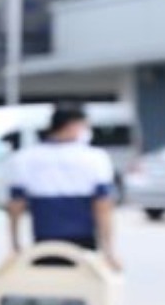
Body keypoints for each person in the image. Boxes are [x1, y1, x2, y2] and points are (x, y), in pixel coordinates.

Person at [7, 107, 120, 269]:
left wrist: (15, 244)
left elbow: (15, 206)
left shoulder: (25, 158)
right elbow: (103, 206)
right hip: (84, 240)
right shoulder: (95, 158)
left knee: (48, 281)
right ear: (73, 126)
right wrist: (109, 252)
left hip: (43, 239)